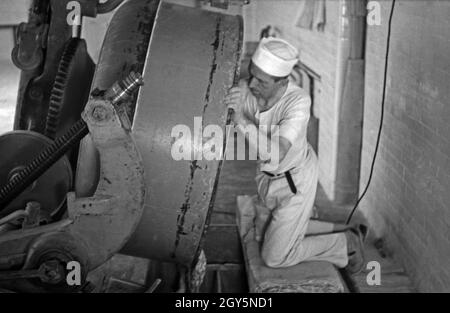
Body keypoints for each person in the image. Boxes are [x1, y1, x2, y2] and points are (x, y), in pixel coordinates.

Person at [224, 37, 365, 273]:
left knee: (274, 256)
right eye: (252, 74)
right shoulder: (248, 89)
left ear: (282, 82)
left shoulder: (297, 102)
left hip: (294, 181)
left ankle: (344, 243)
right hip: (268, 176)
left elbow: (277, 152)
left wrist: (240, 120)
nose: (253, 84)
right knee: (264, 231)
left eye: (262, 81)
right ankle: (344, 228)